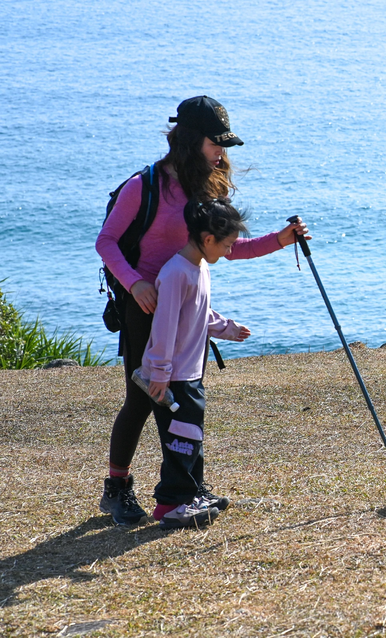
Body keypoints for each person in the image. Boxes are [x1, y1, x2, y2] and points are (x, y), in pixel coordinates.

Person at [95, 96, 309, 525]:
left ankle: (187, 487)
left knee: (185, 401)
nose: (223, 153)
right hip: (145, 303)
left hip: (186, 304)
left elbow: (230, 248)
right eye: (217, 143)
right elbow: (107, 243)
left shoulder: (208, 185)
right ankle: (118, 489)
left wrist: (282, 240)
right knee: (143, 400)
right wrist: (134, 282)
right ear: (193, 140)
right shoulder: (145, 186)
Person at [143, 198, 249, 529]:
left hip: (190, 373)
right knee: (180, 440)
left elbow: (200, 312)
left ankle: (193, 493)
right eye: (228, 244)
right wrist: (159, 373)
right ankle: (171, 505)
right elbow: (164, 325)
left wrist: (226, 328)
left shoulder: (199, 267)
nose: (229, 251)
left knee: (192, 437)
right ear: (207, 239)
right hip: (172, 377)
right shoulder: (176, 273)